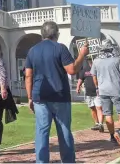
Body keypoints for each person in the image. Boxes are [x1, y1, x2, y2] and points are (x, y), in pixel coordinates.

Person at [25, 21, 89, 163]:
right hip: (60, 95)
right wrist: (82, 55)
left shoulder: (32, 50)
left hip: (40, 95)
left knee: (42, 132)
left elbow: (28, 75)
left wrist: (29, 97)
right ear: (57, 34)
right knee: (64, 131)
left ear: (42, 34)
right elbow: (72, 70)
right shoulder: (60, 48)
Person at [91, 39, 120, 147]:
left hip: (103, 90)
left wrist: (97, 87)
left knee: (107, 114)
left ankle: (112, 136)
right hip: (116, 89)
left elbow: (94, 76)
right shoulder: (117, 59)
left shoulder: (96, 61)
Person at [76, 56, 104, 132]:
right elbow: (80, 79)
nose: (90, 62)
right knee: (92, 108)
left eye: (91, 60)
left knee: (99, 108)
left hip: (98, 92)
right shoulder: (84, 70)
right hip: (89, 93)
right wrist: (78, 87)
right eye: (88, 60)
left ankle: (101, 124)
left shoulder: (99, 69)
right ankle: (97, 123)